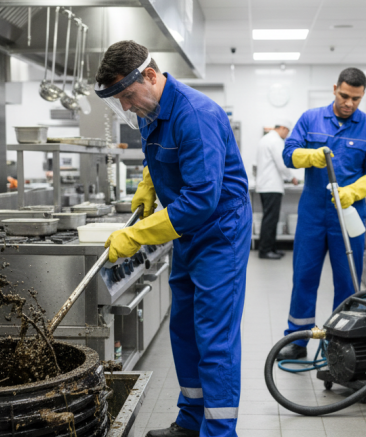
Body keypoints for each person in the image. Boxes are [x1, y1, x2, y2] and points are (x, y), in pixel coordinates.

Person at [94, 41, 251, 437]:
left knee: (214, 337)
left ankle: (219, 432)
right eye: (119, 100)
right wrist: (148, 183)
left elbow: (201, 200)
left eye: (127, 95)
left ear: (150, 76)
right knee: (183, 329)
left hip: (219, 233)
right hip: (186, 233)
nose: (126, 106)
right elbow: (162, 156)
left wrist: (136, 235)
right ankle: (191, 421)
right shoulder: (150, 108)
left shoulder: (196, 114)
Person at [277, 67, 366, 361]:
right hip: (312, 213)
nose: (349, 103)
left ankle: (340, 343)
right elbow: (288, 154)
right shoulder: (311, 119)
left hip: (349, 215)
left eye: (356, 98)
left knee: (347, 282)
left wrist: (353, 191)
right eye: (344, 95)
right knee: (304, 276)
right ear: (335, 88)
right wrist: (311, 156)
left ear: (362, 96)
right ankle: (298, 340)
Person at [255, 119, 298, 260]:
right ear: (283, 128)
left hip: (265, 185)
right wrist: (292, 177)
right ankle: (265, 250)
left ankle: (271, 248)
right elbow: (282, 163)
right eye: (287, 132)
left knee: (270, 219)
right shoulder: (276, 141)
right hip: (271, 186)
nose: (287, 135)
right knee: (270, 219)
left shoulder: (265, 139)